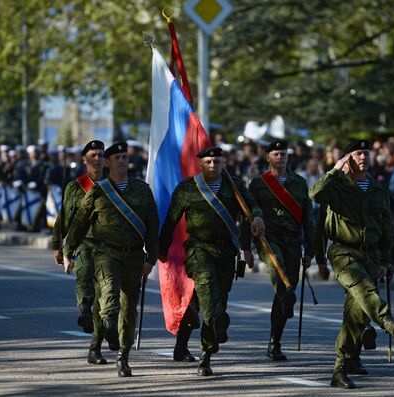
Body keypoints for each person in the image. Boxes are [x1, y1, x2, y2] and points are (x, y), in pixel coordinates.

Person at [311, 140, 394, 390]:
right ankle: (389, 323)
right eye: (357, 153)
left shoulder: (379, 189)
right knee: (364, 291)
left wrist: (391, 260)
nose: (363, 157)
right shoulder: (336, 186)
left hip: (372, 256)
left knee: (356, 314)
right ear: (347, 158)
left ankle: (340, 369)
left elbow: (388, 228)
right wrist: (335, 170)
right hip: (344, 252)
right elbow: (315, 194)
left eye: (366, 153)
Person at [158, 146, 265, 377]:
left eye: (217, 162)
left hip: (226, 252)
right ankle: (211, 338)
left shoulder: (234, 186)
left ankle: (199, 350)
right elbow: (171, 220)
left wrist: (257, 217)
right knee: (206, 283)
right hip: (198, 248)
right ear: (200, 164)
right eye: (208, 162)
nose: (213, 166)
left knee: (210, 299)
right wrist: (161, 249)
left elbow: (251, 206)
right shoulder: (188, 188)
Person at [63, 142, 159, 377]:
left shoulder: (142, 190)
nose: (122, 161)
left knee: (129, 309)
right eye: (117, 158)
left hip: (135, 256)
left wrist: (152, 258)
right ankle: (108, 326)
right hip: (106, 253)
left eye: (125, 157)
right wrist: (68, 250)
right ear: (108, 163)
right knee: (109, 296)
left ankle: (122, 356)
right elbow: (80, 222)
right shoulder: (99, 190)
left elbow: (153, 226)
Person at [247, 140, 315, 361]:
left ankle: (274, 342)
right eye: (276, 154)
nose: (280, 157)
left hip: (293, 242)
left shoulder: (299, 183)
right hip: (269, 239)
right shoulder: (258, 184)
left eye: (283, 154)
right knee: (280, 273)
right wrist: (245, 247)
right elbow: (248, 215)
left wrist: (310, 250)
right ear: (268, 157)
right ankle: (285, 294)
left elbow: (308, 219)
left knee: (286, 294)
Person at [52, 140, 108, 365]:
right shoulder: (75, 188)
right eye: (93, 154)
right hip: (84, 242)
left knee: (107, 302)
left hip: (110, 247)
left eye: (101, 155)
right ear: (84, 160)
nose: (97, 158)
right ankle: (85, 309)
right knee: (84, 271)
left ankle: (97, 345)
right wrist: (57, 245)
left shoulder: (114, 185)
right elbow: (63, 218)